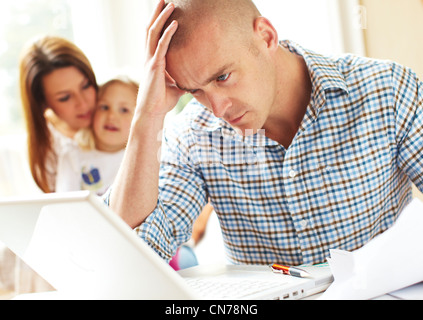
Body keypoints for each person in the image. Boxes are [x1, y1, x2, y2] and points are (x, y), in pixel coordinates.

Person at [106, 0, 423, 267]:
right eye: (195, 91)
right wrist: (146, 116)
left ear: (266, 36)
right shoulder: (193, 133)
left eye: (223, 76)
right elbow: (133, 255)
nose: (217, 108)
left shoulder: (387, 90)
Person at [19, 35, 98, 193]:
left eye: (86, 85)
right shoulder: (47, 146)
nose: (82, 103)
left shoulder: (117, 111)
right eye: (65, 98)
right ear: (43, 103)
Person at [55, 77, 138, 195]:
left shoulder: (141, 159)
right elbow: (64, 203)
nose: (112, 116)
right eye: (104, 107)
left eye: (124, 110)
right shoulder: (73, 155)